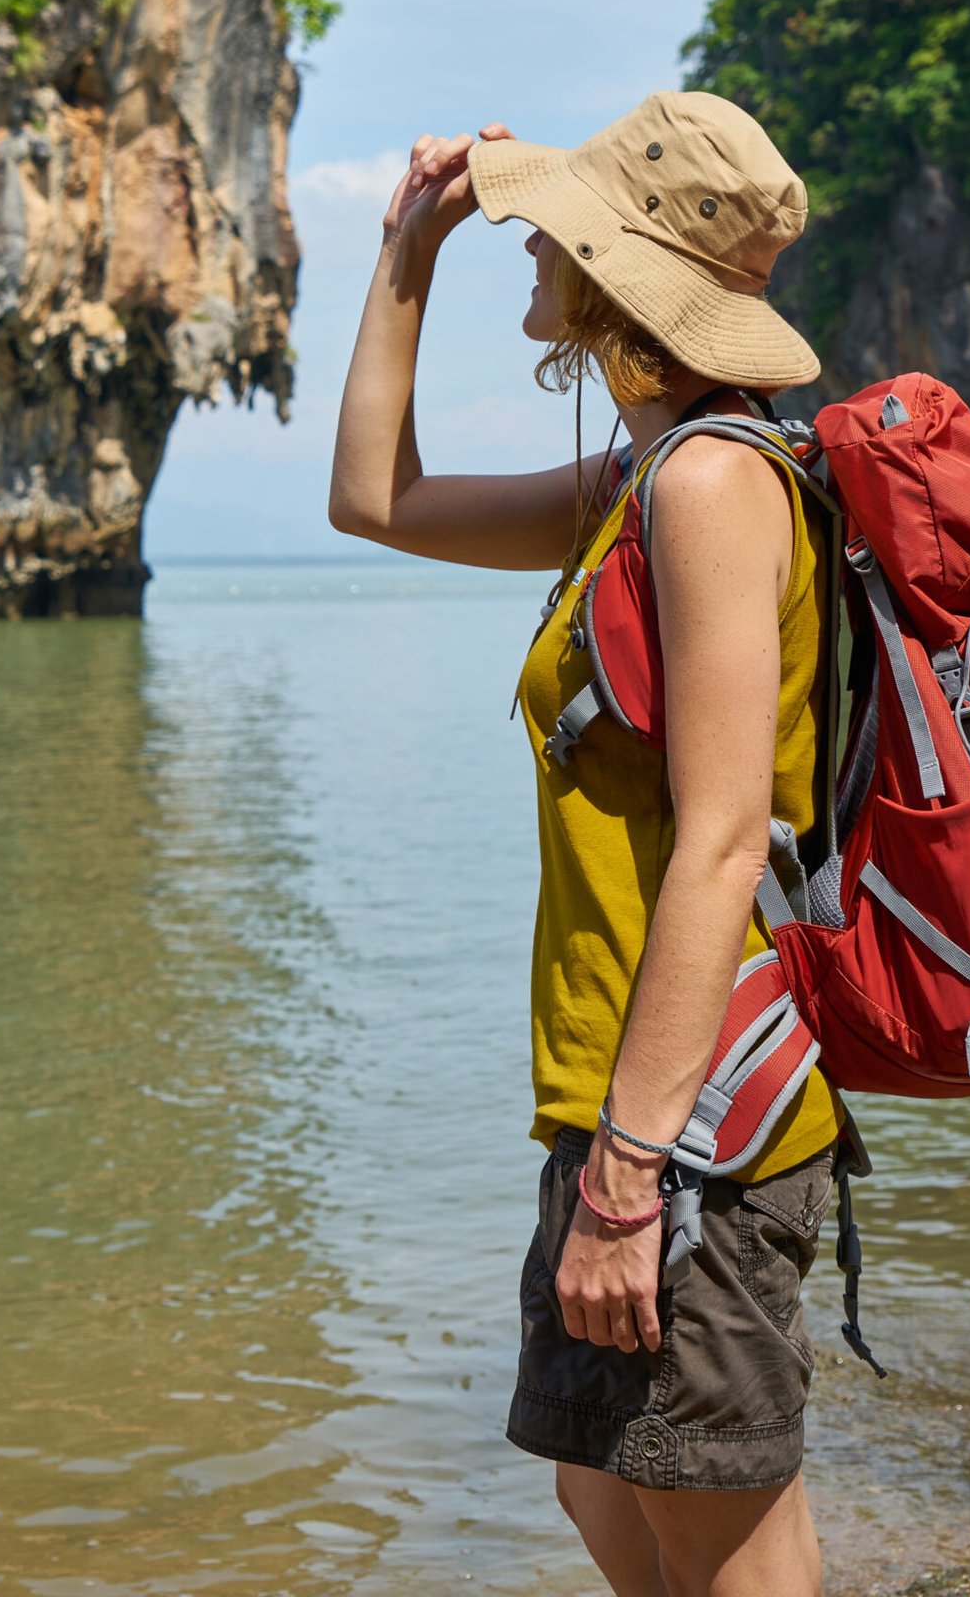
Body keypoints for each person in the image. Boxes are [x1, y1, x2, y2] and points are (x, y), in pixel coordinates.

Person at [327, 91, 842, 1597]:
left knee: (724, 1544)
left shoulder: (708, 485)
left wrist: (631, 1180)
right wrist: (406, 257)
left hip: (688, 1126)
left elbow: (725, 838)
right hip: (616, 1088)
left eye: (558, 227)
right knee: (603, 1494)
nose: (533, 243)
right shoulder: (639, 483)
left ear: (621, 271)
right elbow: (379, 500)